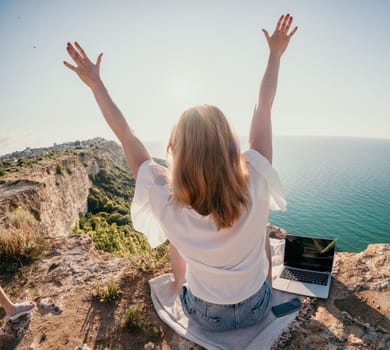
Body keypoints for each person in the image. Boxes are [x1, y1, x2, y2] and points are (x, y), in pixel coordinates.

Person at [64, 13, 297, 331]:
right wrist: (274, 55)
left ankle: (181, 282)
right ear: (228, 144)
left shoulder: (165, 199)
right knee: (264, 235)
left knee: (176, 240)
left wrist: (96, 85)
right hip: (256, 307)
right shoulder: (256, 175)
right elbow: (263, 106)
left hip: (204, 316)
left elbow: (127, 135)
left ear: (178, 151)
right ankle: (262, 297)